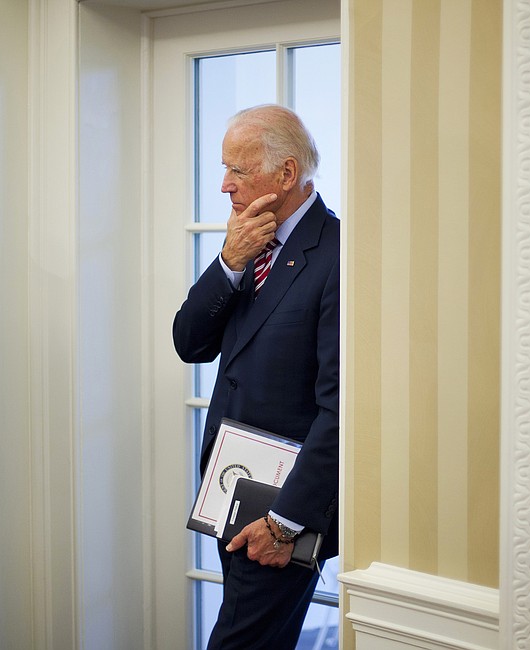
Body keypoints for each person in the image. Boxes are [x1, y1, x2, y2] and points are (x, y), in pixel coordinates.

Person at [172, 104, 339, 648]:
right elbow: (189, 342)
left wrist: (285, 523)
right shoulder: (248, 244)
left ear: (287, 174)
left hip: (281, 516)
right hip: (229, 494)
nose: (224, 186)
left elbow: (342, 409)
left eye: (237, 171)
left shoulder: (340, 255)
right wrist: (228, 260)